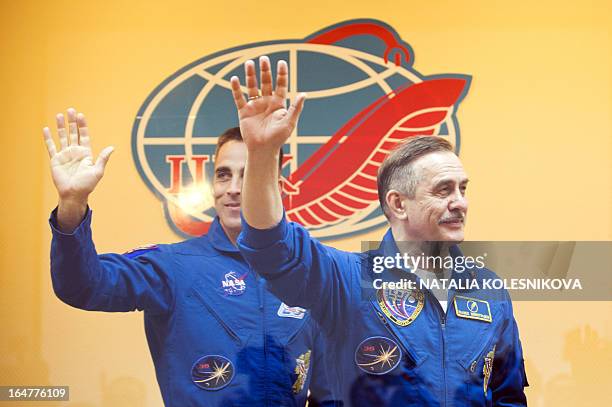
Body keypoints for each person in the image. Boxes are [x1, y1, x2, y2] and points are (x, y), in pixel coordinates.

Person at [230, 56, 529, 406]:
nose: (460, 202)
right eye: (443, 190)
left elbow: (508, 397)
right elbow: (271, 246)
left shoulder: (489, 292)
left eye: (463, 188)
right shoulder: (345, 282)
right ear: (398, 204)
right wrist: (262, 154)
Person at [43, 112, 334, 406]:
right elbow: (82, 286)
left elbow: (330, 394)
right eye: (223, 174)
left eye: (248, 175)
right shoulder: (172, 266)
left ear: (277, 188)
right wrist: (72, 204)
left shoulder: (311, 277)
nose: (233, 188)